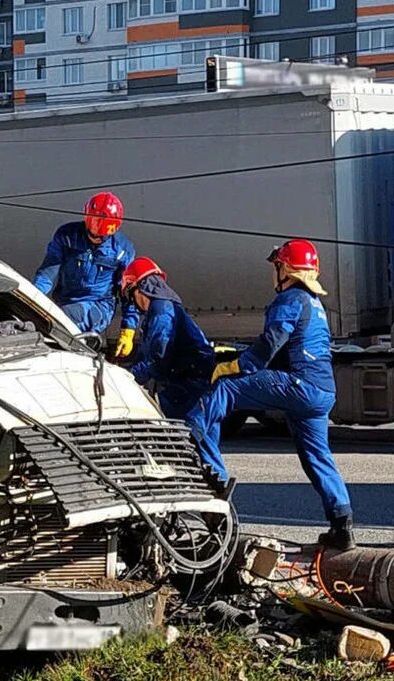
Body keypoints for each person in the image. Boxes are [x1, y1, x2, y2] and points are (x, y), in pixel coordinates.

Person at [188, 239, 355, 550]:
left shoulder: (290, 298)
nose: (273, 273)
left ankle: (195, 445)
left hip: (299, 385)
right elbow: (293, 347)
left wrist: (237, 365)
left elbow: (272, 340)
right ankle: (342, 525)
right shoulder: (315, 304)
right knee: (317, 458)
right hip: (322, 391)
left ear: (286, 269)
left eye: (276, 266)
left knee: (224, 390)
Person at [33, 191, 138, 354]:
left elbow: (128, 293)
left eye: (101, 237)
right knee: (46, 320)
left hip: (99, 305)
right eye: (93, 234)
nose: (96, 239)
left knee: (63, 320)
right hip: (64, 300)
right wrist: (33, 297)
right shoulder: (67, 236)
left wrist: (128, 329)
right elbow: (48, 271)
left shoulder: (122, 250)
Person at [119, 256, 215, 420]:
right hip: (188, 382)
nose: (133, 303)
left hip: (189, 385)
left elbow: (157, 356)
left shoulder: (162, 312)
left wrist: (126, 380)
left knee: (187, 435)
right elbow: (147, 355)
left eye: (131, 295)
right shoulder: (159, 311)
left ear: (140, 288)